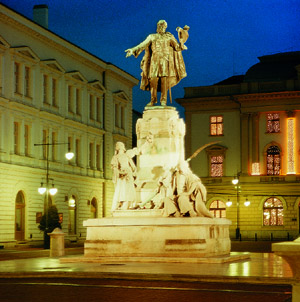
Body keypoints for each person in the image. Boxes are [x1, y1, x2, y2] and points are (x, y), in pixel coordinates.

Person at [125, 20, 187, 107]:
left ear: (165, 27)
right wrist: (133, 50)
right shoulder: (152, 36)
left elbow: (177, 47)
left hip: (165, 61)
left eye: (162, 26)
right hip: (154, 61)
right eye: (159, 26)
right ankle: (153, 100)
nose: (161, 28)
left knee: (164, 81)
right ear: (157, 27)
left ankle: (163, 100)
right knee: (153, 80)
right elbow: (142, 45)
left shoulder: (169, 37)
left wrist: (181, 44)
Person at [111, 142, 138, 211]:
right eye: (121, 146)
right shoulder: (116, 157)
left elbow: (132, 165)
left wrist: (134, 171)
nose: (122, 147)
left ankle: (128, 204)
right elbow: (114, 167)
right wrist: (120, 172)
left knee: (128, 189)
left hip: (128, 174)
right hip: (122, 175)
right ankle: (123, 204)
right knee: (122, 190)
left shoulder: (126, 155)